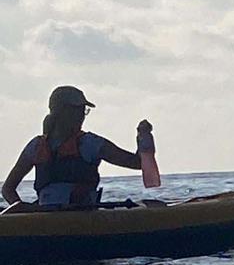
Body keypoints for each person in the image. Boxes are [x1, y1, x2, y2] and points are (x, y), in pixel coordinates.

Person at [2, 86, 151, 210]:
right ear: (60, 111)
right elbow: (8, 189)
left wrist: (143, 137)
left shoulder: (89, 143)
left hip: (82, 218)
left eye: (84, 109)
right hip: (46, 219)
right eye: (78, 109)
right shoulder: (36, 147)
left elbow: (138, 163)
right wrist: (24, 209)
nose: (82, 114)